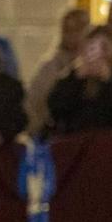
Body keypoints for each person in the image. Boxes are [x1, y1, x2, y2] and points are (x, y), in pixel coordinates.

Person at [45, 30, 112, 134]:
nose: (97, 54)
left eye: (104, 48)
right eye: (91, 48)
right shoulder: (73, 76)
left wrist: (109, 79)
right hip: (75, 141)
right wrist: (75, 78)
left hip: (111, 141)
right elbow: (55, 108)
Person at [26, 7, 89, 135]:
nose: (72, 35)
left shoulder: (99, 65)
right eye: (67, 30)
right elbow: (33, 103)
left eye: (78, 29)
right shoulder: (49, 68)